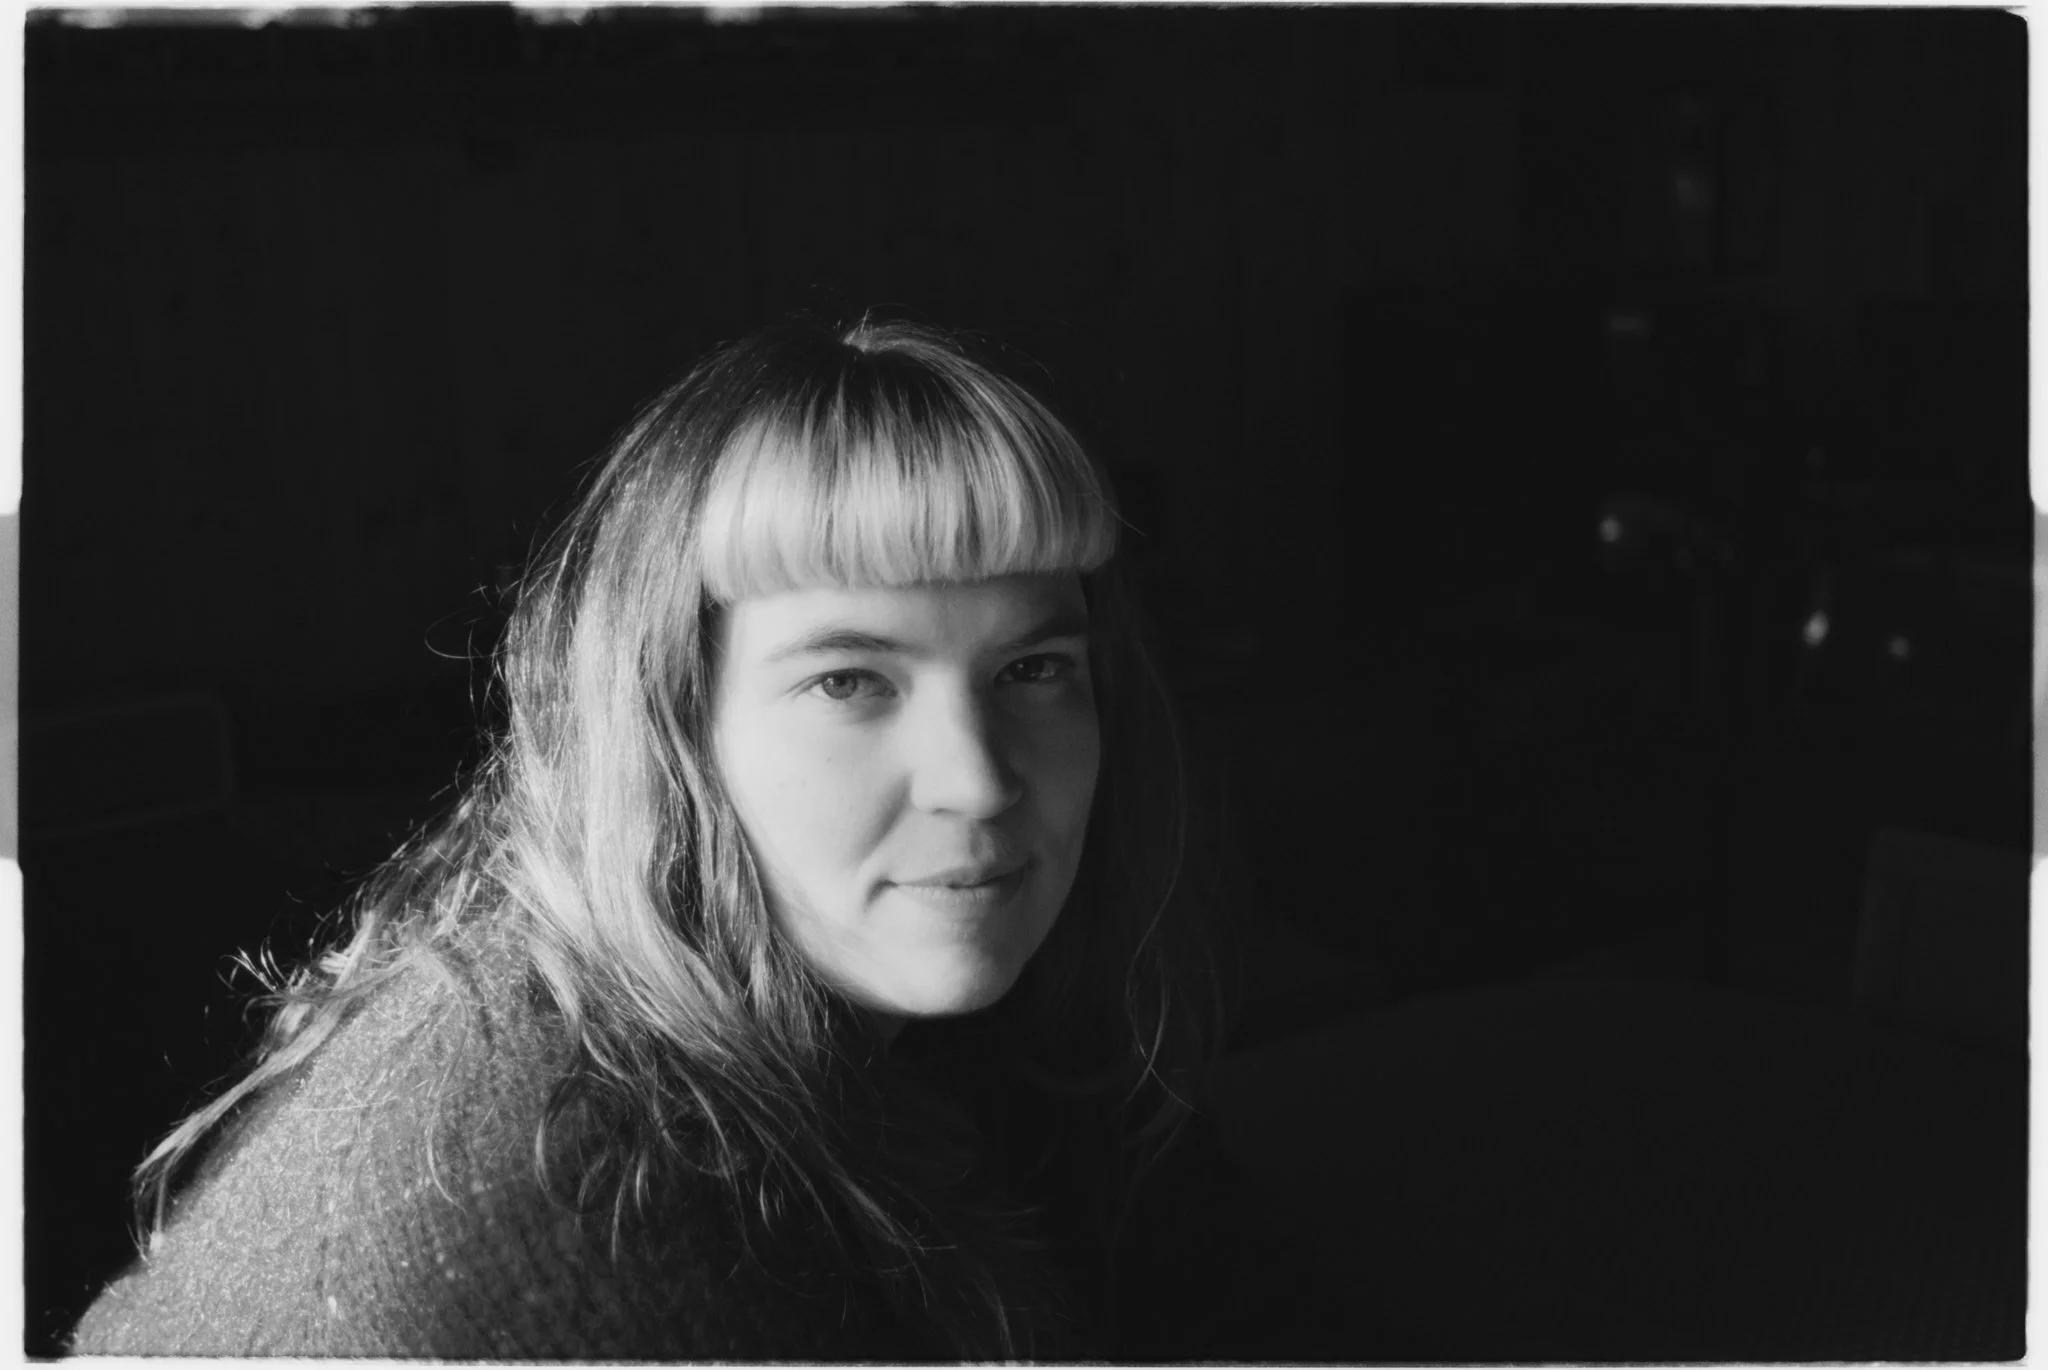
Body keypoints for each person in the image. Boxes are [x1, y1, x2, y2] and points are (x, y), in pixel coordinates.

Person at [68, 315, 1236, 1359]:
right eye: (848, 682)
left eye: (1032, 669)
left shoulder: (881, 1035)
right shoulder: (573, 1192)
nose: (978, 779)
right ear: (672, 721)